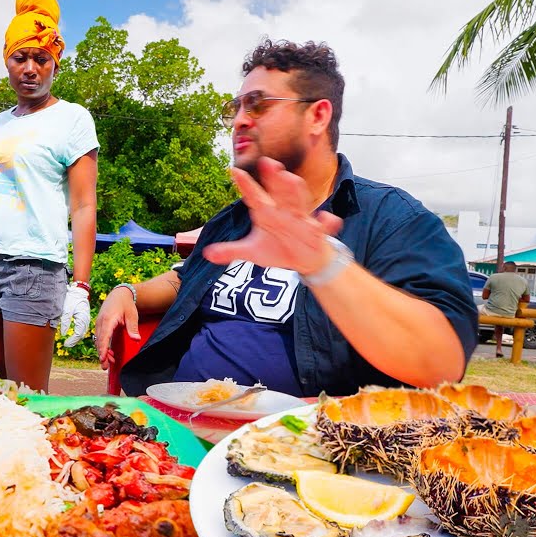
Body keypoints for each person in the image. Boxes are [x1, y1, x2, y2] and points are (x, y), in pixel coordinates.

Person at [96, 40, 477, 398]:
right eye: (237, 107)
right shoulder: (235, 219)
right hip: (179, 419)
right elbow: (185, 278)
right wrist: (128, 292)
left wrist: (321, 263)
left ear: (317, 115)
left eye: (258, 104)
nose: (239, 121)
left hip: (301, 446)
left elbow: (441, 365)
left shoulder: (395, 220)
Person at [0, 0, 99, 392]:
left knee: (24, 396)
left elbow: (84, 205)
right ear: (6, 61)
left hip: (34, 267)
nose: (30, 68)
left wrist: (81, 285)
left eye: (41, 58)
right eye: (19, 57)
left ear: (55, 64)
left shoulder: (73, 119)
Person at [481, 261, 530, 358]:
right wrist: (514, 297)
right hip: (510, 314)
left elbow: (484, 296)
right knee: (499, 325)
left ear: (504, 267)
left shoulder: (494, 277)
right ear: (515, 270)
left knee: (472, 311)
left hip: (491, 311)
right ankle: (499, 349)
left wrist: (496, 294)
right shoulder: (523, 281)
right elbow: (526, 299)